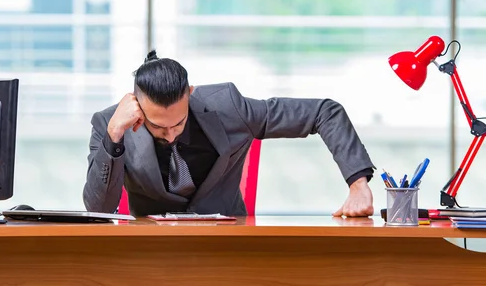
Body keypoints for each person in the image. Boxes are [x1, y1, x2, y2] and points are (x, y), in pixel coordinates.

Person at [83, 50, 376, 217]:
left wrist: (358, 185)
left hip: (229, 245)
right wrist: (114, 138)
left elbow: (324, 112)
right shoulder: (111, 124)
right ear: (136, 106)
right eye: (158, 127)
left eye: (178, 124)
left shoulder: (228, 107)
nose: (170, 136)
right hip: (154, 254)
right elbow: (99, 209)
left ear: (191, 94)